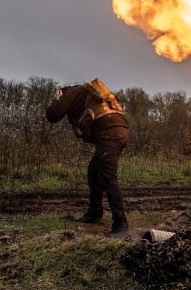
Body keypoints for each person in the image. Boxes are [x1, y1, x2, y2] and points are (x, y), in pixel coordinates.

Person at [46, 78, 130, 237]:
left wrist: (58, 99)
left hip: (109, 133)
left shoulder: (72, 92)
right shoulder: (91, 93)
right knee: (94, 171)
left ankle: (121, 225)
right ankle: (95, 213)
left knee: (108, 177)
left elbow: (53, 115)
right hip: (119, 130)